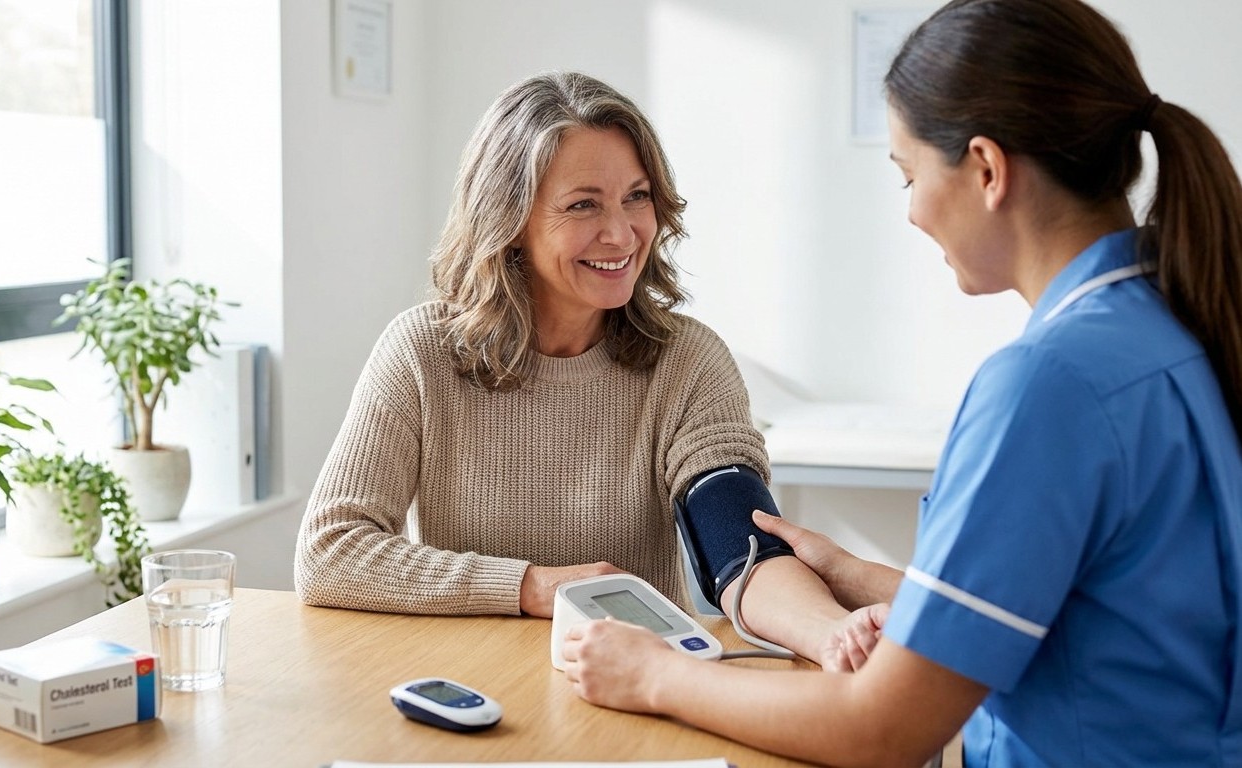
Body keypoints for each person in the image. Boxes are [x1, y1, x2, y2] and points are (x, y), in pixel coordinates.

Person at [562, 0, 1242, 764]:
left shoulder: (1050, 385)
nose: (913, 212)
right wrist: (852, 575)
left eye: (907, 175)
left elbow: (879, 729)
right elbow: (1106, 615)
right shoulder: (1179, 320)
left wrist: (655, 675)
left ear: (986, 169)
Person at [293, 71, 879, 668]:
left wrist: (835, 635)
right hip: (468, 681)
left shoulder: (687, 361)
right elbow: (329, 553)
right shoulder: (421, 352)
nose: (622, 232)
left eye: (637, 196)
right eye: (583, 204)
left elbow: (740, 549)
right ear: (510, 219)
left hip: (637, 686)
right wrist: (532, 587)